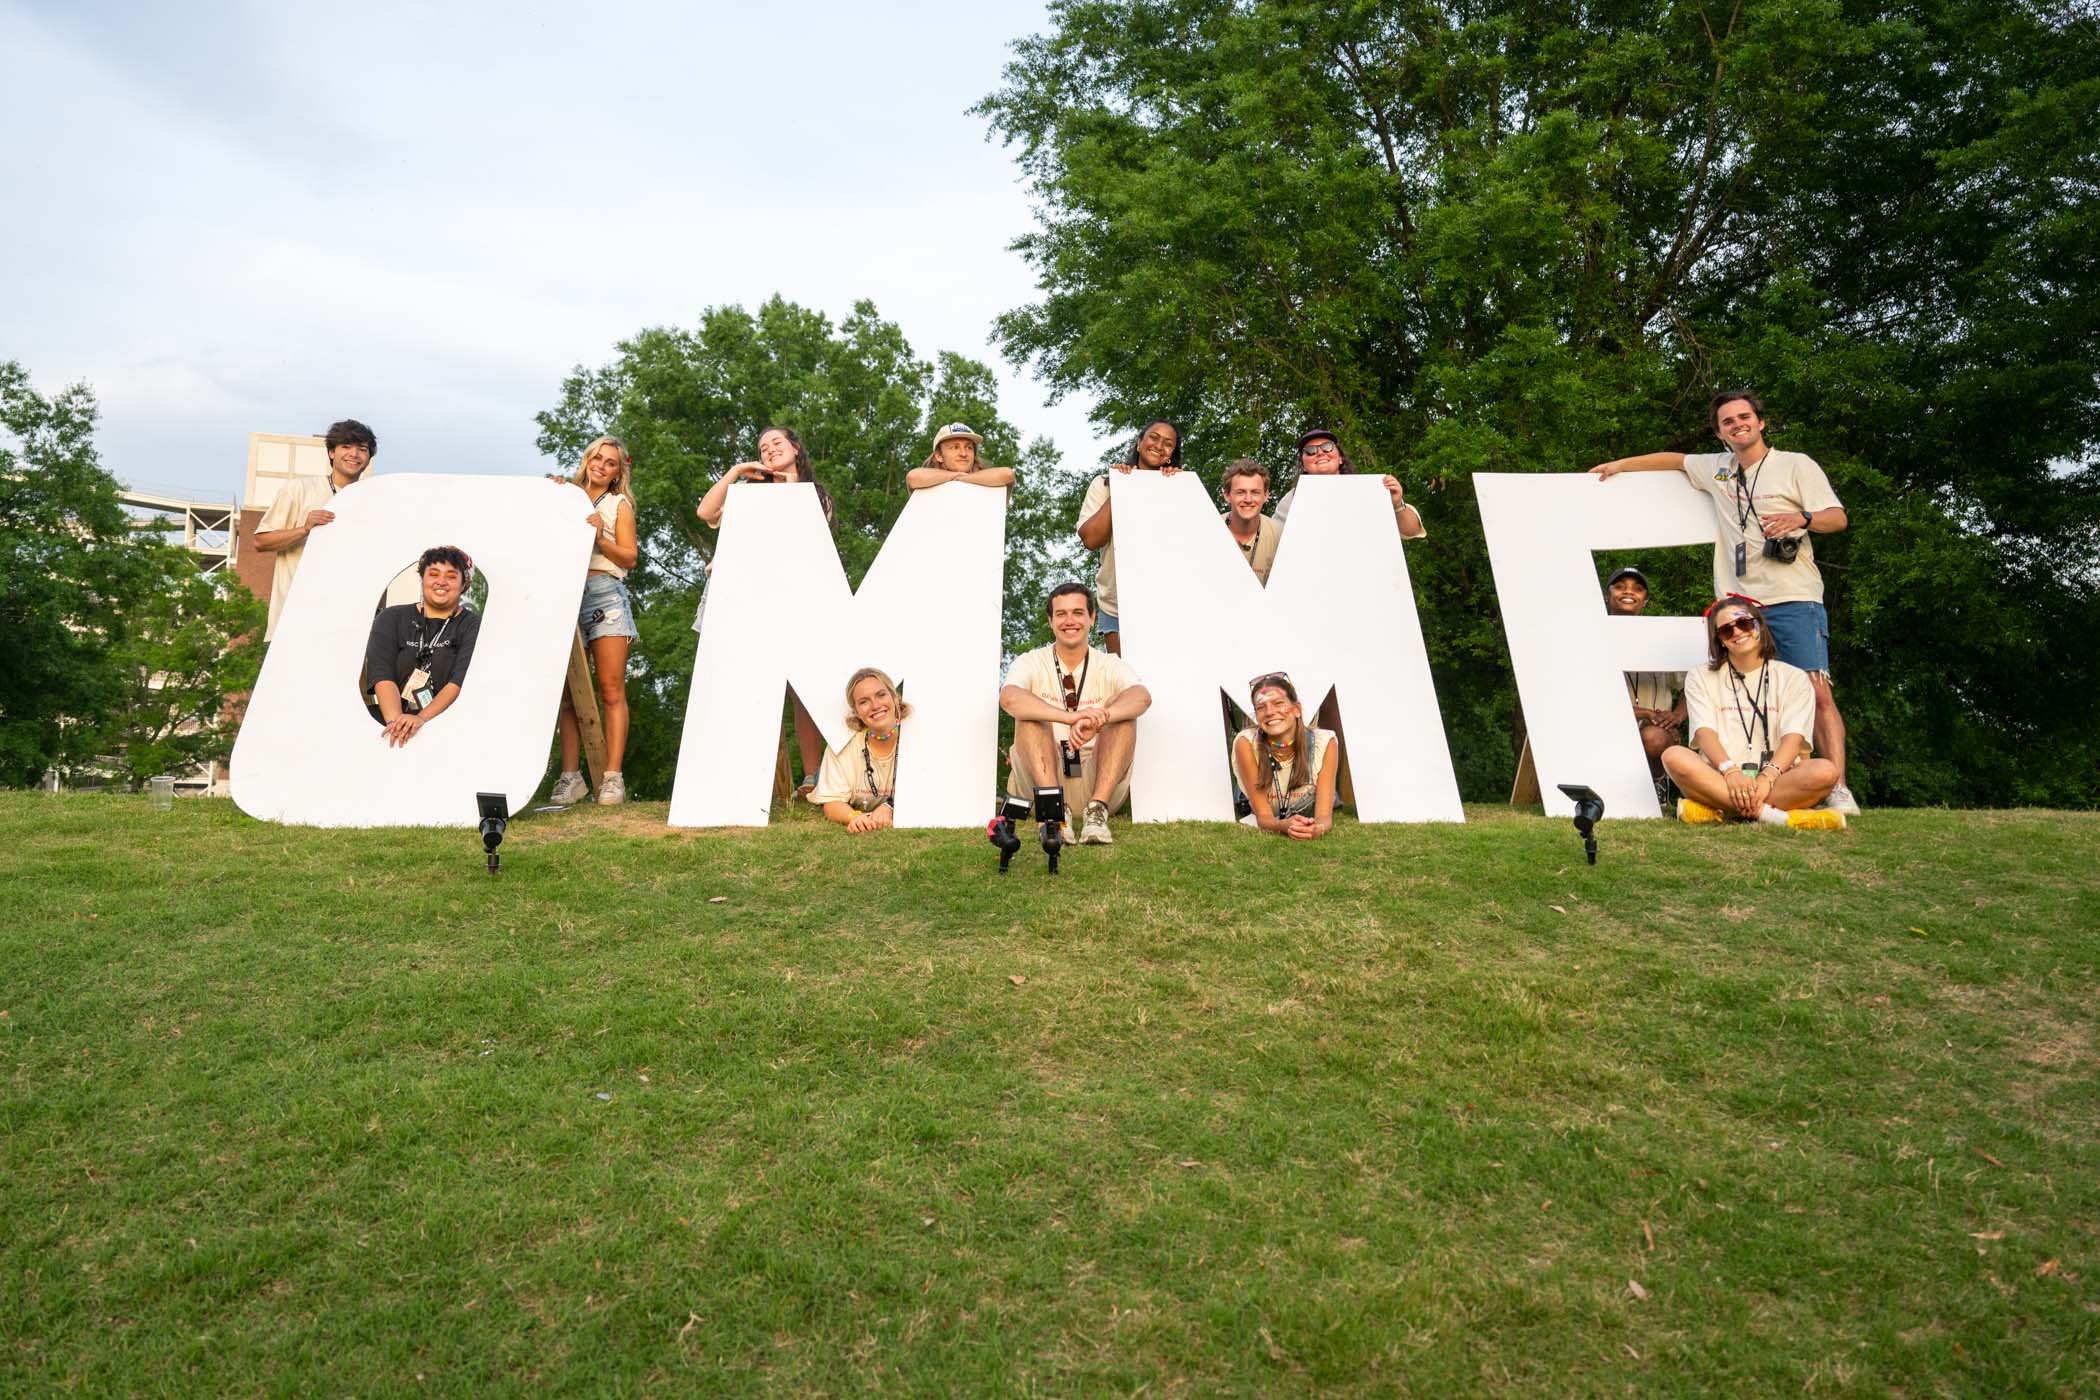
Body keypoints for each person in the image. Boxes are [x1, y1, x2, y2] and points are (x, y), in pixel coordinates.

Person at [1588, 391, 1858, 813]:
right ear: (1719, 432)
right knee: (1731, 695)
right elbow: (1674, 460)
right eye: (1727, 421)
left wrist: (1801, 519)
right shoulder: (1717, 468)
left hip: (1793, 597)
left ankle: (1837, 788)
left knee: (1815, 691)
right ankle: (1741, 785)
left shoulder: (1795, 464)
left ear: (1761, 422)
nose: (1737, 425)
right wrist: (1621, 465)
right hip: (1737, 604)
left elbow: (1837, 518)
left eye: (1744, 417)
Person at [695, 426, 834, 795]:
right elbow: (705, 511)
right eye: (762, 447)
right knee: (736, 679)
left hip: (792, 594)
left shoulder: (814, 495)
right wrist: (738, 472)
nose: (769, 449)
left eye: (777, 443)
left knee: (800, 686)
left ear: (796, 448)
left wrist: (786, 485)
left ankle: (813, 775)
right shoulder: (747, 494)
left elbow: (812, 538)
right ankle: (738, 775)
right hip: (739, 593)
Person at [1660, 595, 1845, 828]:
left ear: (1759, 624)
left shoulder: (1793, 677)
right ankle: (1770, 814)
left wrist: (1768, 777)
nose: (1737, 632)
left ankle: (1722, 810)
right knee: (1674, 756)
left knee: (1826, 771)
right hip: (1721, 776)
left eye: (1744, 623)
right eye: (1726, 630)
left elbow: (1794, 737)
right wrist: (1730, 772)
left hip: (1778, 779)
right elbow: (1705, 732)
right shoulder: (1700, 676)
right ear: (1719, 640)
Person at [1000, 582, 1153, 844]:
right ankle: (1054, 815)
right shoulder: (1030, 661)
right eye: (1061, 614)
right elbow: (1010, 698)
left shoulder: (1110, 664)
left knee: (1122, 712)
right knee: (1030, 711)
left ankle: (1096, 815)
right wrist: (1069, 718)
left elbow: (1142, 697)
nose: (1069, 621)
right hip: (1041, 780)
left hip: (1095, 779)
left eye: (1078, 613)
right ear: (1050, 621)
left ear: (1092, 618)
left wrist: (1101, 717)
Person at [547, 436, 639, 806]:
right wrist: (551, 496)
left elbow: (629, 558)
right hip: (564, 593)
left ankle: (612, 778)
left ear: (619, 471)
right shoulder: (563, 495)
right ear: (587, 459)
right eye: (597, 457)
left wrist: (600, 535)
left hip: (604, 592)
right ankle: (571, 776)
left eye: (611, 462)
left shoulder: (619, 505)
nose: (602, 465)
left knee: (611, 688)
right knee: (570, 694)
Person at [252, 418, 376, 641]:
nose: (354, 454)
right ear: (331, 453)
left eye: (362, 449)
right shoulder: (299, 489)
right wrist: (305, 529)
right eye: (346, 447)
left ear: (369, 457)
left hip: (346, 623)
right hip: (296, 619)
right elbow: (261, 541)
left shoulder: (370, 501)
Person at [1075, 420, 1183, 655]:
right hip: (1117, 606)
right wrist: (1122, 488)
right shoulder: (1105, 483)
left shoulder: (1178, 487)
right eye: (1153, 438)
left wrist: (1178, 488)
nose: (1159, 445)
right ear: (1139, 443)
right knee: (1127, 683)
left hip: (1166, 605)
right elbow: (1091, 540)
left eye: (1168, 443)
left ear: (1171, 455)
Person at [364, 546, 482, 749]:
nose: (441, 582)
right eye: (433, 574)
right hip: (388, 719)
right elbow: (381, 672)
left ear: (464, 584)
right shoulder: (391, 618)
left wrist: (421, 719)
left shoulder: (473, 626)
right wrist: (395, 724)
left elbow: (458, 681)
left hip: (447, 726)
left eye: (451, 577)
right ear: (422, 578)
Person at [1605, 567, 1686, 786]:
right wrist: (1644, 712)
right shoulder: (1598, 636)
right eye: (1620, 587)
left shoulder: (1660, 638)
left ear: (1645, 600)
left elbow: (1693, 685)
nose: (1628, 592)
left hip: (1656, 728)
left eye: (1637, 589)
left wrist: (1677, 716)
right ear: (1607, 595)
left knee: (1654, 737)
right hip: (1608, 724)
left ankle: (1658, 784)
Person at [1233, 672, 1339, 839]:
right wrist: (1283, 826)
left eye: (1278, 703)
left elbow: (1324, 817)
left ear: (1296, 710)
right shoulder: (1246, 744)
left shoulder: (1325, 742)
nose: (1269, 712)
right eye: (1261, 707)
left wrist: (1316, 829)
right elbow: (1264, 818)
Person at [809, 666, 910, 832]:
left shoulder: (916, 737)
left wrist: (890, 807)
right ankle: (815, 779)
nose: (875, 705)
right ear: (856, 711)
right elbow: (832, 802)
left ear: (894, 697)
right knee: (823, 782)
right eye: (864, 702)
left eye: (881, 695)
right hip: (840, 779)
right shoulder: (842, 746)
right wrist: (854, 816)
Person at [1271, 428, 1424, 539]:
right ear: (1304, 465)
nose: (1319, 453)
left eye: (1327, 447)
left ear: (1340, 458)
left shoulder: (1368, 490)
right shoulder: (1292, 499)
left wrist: (1396, 505)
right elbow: (1272, 539)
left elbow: (1412, 531)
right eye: (1310, 451)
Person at [1220, 459, 1283, 584]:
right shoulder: (1210, 528)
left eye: (1255, 492)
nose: (1248, 499)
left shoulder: (1280, 535)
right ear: (1227, 495)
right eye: (1240, 492)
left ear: (1266, 496)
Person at [906, 422, 1015, 491]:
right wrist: (956, 475)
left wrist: (961, 477)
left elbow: (1007, 475)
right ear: (939, 456)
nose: (963, 454)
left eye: (969, 448)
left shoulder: (990, 486)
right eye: (955, 447)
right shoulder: (925, 486)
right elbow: (913, 478)